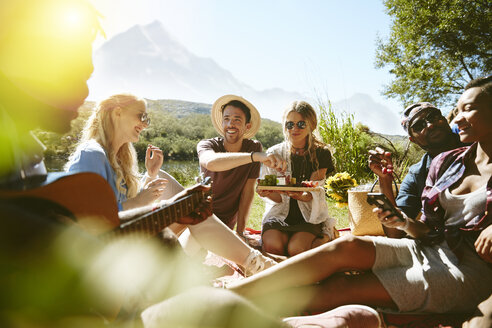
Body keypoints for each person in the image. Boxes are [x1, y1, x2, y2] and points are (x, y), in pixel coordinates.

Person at [227, 76, 492, 320]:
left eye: (467, 109)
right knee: (348, 246)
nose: (455, 119)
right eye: (456, 111)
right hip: (430, 249)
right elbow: (423, 231)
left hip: (467, 269)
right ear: (412, 137)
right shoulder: (447, 163)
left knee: (340, 290)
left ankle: (241, 313)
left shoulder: (319, 153)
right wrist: (401, 219)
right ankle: (229, 297)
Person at [65, 93, 276, 277]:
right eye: (142, 116)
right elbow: (86, 224)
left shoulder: (117, 160)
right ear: (117, 113)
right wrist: (141, 201)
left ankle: (250, 265)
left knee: (193, 208)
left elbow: (122, 207)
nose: (146, 123)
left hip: (130, 244)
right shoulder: (91, 154)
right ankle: (260, 266)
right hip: (112, 258)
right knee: (194, 208)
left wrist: (150, 175)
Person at [369, 101, 463, 237]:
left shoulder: (479, 144)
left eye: (433, 117)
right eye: (419, 126)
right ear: (414, 140)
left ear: (444, 119)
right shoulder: (418, 173)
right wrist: (384, 180)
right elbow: (395, 232)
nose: (430, 125)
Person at [197, 94, 287, 236]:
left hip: (223, 223)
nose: (230, 124)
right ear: (222, 123)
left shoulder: (254, 147)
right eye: (226, 119)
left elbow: (247, 192)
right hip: (198, 215)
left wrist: (240, 232)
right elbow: (211, 162)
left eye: (237, 120)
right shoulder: (207, 145)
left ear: (247, 126)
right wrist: (255, 157)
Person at [257, 101, 336, 256]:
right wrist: (266, 192)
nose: (294, 129)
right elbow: (277, 198)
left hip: (308, 216)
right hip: (280, 214)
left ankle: (326, 235)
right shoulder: (275, 153)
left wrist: (302, 196)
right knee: (274, 247)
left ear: (311, 125)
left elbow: (315, 192)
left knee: (297, 250)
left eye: (300, 124)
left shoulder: (322, 153)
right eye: (289, 124)